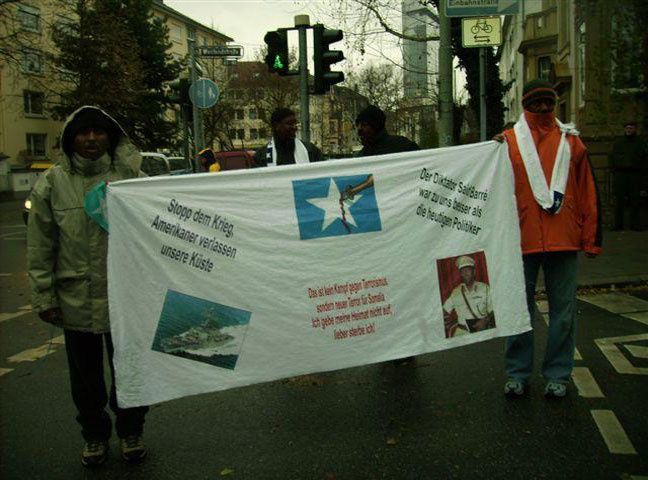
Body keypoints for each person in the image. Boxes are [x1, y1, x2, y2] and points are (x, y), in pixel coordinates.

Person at [27, 106, 149, 467]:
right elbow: (40, 246)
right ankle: (94, 436)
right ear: (70, 139)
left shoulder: (132, 180)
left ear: (111, 137)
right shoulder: (51, 184)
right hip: (75, 300)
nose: (92, 139)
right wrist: (44, 296)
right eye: (83, 132)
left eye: (99, 132)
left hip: (126, 300)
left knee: (131, 373)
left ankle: (131, 430)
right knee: (85, 381)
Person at [493, 79, 602, 398]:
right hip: (520, 239)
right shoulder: (507, 143)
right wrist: (490, 151)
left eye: (548, 102)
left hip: (564, 239)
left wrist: (591, 238)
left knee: (564, 313)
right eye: (535, 102)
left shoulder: (572, 142)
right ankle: (517, 373)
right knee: (518, 310)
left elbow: (588, 191)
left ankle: (558, 375)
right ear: (524, 105)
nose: (542, 108)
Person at [442, 256, 495, 337]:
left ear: (474, 272)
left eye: (468, 270)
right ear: (460, 274)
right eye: (462, 271)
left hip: (482, 330)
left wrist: (486, 320)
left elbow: (494, 309)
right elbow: (444, 310)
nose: (465, 273)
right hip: (462, 332)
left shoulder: (484, 288)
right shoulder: (456, 292)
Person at [254, 107, 323, 167]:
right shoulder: (262, 156)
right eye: (290, 123)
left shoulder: (311, 151)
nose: (294, 127)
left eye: (295, 123)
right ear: (276, 126)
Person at [609, 121, 646, 231]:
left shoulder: (640, 143)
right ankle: (618, 224)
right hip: (620, 174)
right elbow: (612, 156)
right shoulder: (619, 142)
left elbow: (643, 159)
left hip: (635, 174)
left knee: (635, 200)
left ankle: (635, 225)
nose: (629, 130)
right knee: (619, 200)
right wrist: (614, 170)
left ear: (635, 129)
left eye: (631, 128)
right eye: (627, 128)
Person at [355, 105, 419, 157]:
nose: (359, 128)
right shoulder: (362, 155)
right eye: (357, 125)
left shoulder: (402, 146)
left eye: (364, 124)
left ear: (376, 126)